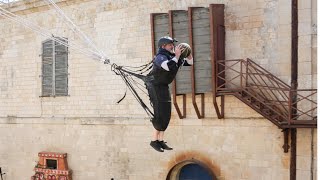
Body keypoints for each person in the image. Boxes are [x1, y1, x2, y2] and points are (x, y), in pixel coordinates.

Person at [146, 36, 193, 152]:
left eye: (173, 44)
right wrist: (177, 55)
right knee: (160, 112)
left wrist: (188, 53)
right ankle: (154, 141)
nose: (173, 46)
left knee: (166, 113)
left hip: (163, 86)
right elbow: (168, 66)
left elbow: (189, 63)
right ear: (163, 46)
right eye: (170, 44)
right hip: (155, 85)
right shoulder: (160, 57)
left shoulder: (173, 57)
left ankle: (160, 141)